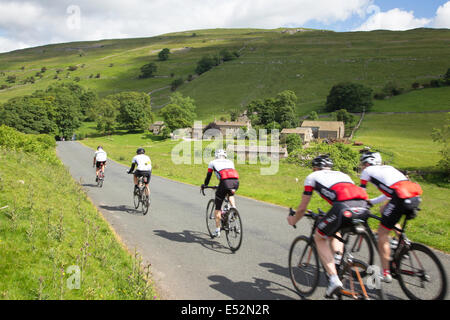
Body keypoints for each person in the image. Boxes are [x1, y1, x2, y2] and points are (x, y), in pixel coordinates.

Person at [287, 155, 369, 298]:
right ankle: (338, 260)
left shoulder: (312, 176)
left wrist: (293, 220)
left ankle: (333, 279)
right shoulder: (342, 174)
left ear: (315, 168)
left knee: (319, 237)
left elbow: (302, 208)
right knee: (334, 231)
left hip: (343, 208)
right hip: (363, 207)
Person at [359, 151, 422, 283]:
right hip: (413, 195)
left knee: (382, 233)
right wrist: (372, 202)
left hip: (399, 197)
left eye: (362, 164)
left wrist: (363, 204)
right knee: (384, 210)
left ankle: (386, 273)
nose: (362, 167)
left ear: (366, 163)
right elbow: (389, 194)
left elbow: (361, 193)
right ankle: (403, 241)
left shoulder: (367, 171)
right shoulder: (389, 168)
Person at [201, 149, 239, 238]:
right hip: (235, 182)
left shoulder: (212, 162)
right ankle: (233, 208)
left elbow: (208, 176)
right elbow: (229, 175)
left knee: (217, 208)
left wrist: (205, 185)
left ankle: (217, 230)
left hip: (224, 182)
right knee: (230, 194)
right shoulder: (230, 162)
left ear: (216, 155)